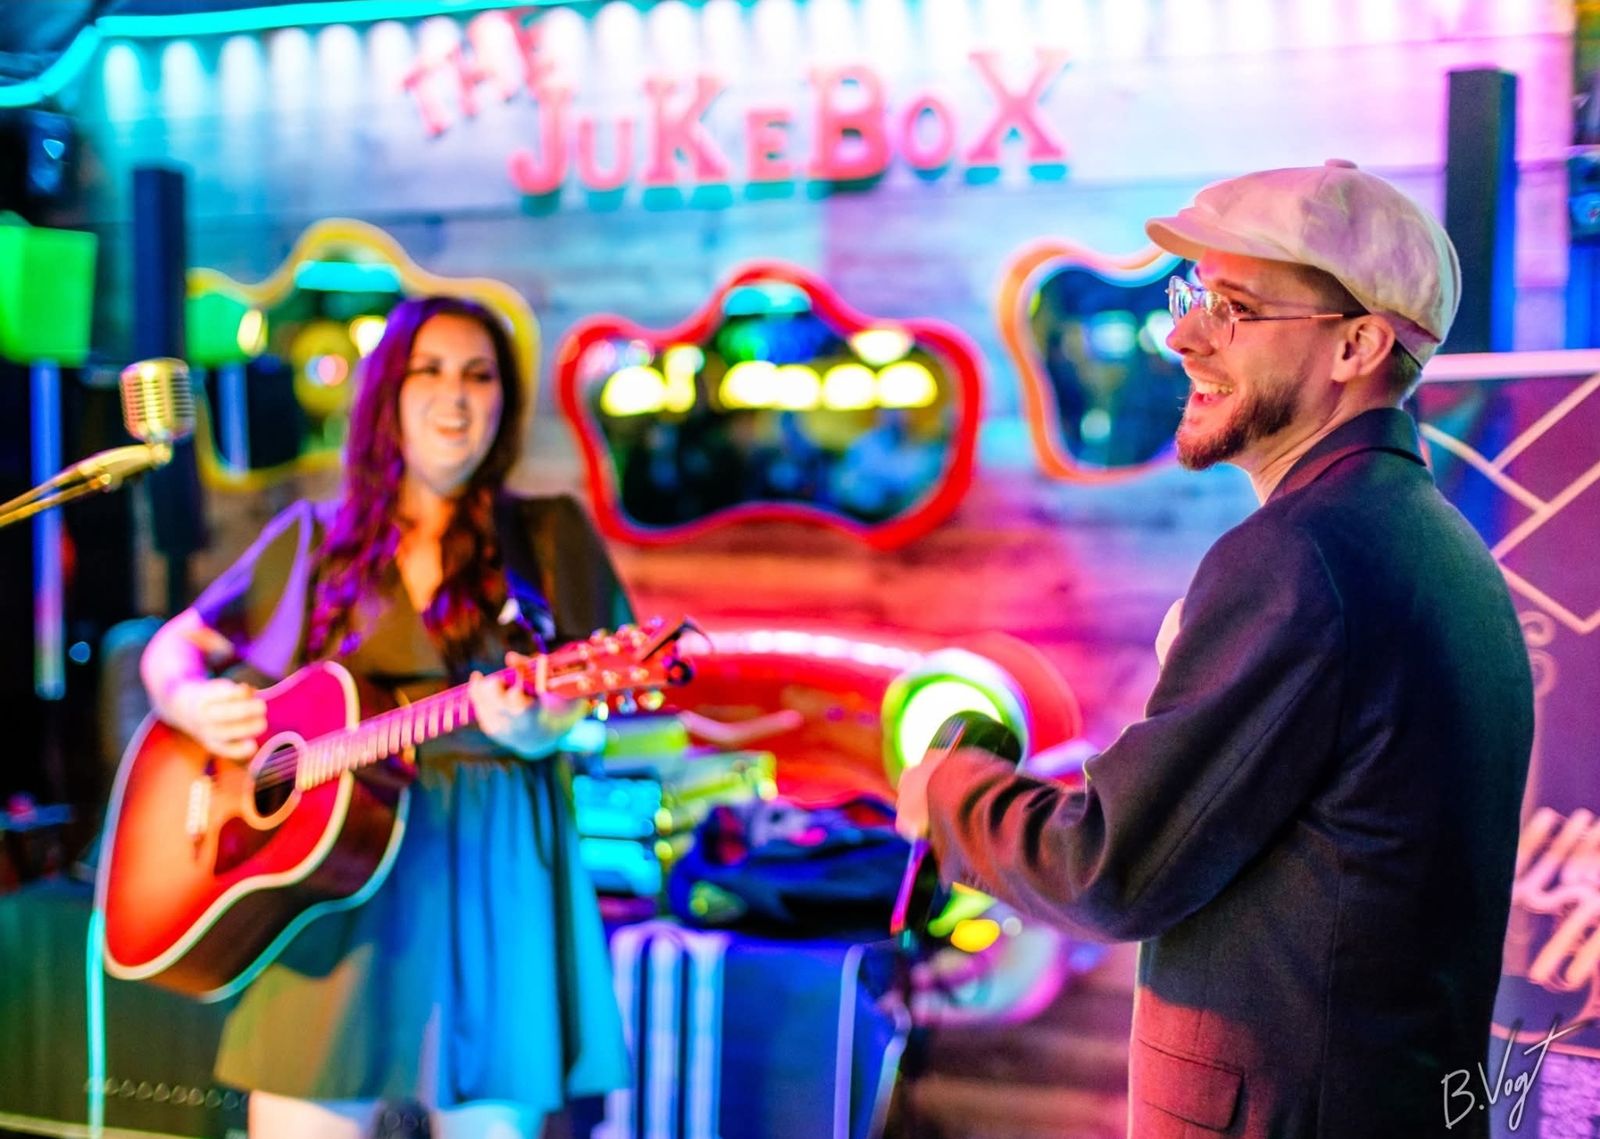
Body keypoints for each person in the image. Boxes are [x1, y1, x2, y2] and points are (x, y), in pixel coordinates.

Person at [895, 161, 1534, 1139]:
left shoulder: (1300, 555)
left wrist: (950, 793)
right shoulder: (1428, 539)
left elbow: (1109, 866)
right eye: (1191, 298)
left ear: (1357, 344)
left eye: (1233, 309)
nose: (1183, 336)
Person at [139, 295, 633, 1139]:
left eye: (479, 375)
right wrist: (188, 700)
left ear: (504, 402)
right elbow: (172, 649)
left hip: (489, 866)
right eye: (428, 371)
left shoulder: (547, 536)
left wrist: (537, 727)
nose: (455, 396)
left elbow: (582, 710)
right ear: (385, 397)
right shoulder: (313, 539)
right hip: (327, 879)